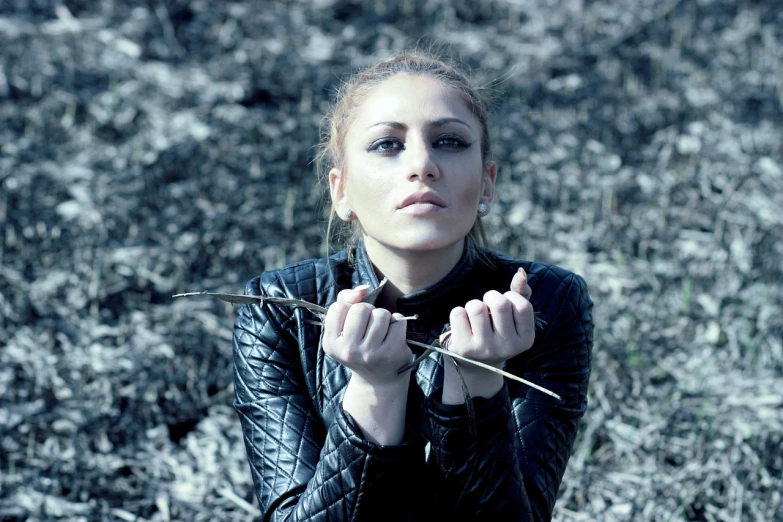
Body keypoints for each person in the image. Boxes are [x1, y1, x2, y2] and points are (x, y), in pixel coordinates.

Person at [232, 48, 593, 522]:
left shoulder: (549, 302)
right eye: (387, 145)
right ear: (340, 190)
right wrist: (374, 387)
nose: (422, 165)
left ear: (487, 184)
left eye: (449, 141)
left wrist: (481, 380)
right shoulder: (279, 310)